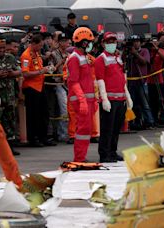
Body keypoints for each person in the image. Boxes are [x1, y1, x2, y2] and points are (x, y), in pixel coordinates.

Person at [95, 32, 133, 163]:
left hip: (120, 99)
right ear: (103, 44)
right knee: (107, 128)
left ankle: (112, 151)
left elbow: (122, 78)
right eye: (109, 42)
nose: (112, 44)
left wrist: (127, 96)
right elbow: (100, 79)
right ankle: (104, 154)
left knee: (116, 128)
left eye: (113, 41)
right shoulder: (101, 59)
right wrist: (104, 98)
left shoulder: (118, 58)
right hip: (110, 100)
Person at [66, 27, 96, 162]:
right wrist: (82, 100)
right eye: (89, 41)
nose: (91, 44)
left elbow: (89, 80)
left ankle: (81, 156)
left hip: (87, 99)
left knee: (87, 129)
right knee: (82, 129)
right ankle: (79, 157)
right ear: (84, 43)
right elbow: (73, 81)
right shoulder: (74, 58)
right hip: (80, 100)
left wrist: (94, 98)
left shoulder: (85, 57)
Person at [21, 34, 55, 147]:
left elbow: (39, 67)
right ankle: (33, 138)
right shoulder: (26, 55)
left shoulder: (37, 54)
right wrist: (41, 71)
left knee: (44, 113)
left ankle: (43, 137)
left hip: (40, 86)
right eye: (39, 46)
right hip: (31, 88)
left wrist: (47, 69)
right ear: (34, 44)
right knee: (33, 115)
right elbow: (25, 73)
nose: (41, 48)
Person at [125, 35, 155, 130]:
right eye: (134, 41)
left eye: (137, 41)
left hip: (142, 81)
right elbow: (123, 61)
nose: (136, 43)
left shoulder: (144, 51)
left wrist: (135, 54)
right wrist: (127, 52)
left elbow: (144, 62)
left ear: (140, 42)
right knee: (131, 103)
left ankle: (150, 122)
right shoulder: (129, 52)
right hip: (131, 81)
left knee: (145, 103)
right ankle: (133, 122)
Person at [49, 33, 70, 142]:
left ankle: (68, 132)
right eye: (64, 41)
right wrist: (60, 63)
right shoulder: (53, 54)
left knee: (70, 109)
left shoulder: (69, 54)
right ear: (59, 42)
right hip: (58, 83)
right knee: (64, 109)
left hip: (68, 83)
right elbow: (50, 70)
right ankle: (62, 134)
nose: (67, 43)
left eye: (67, 41)